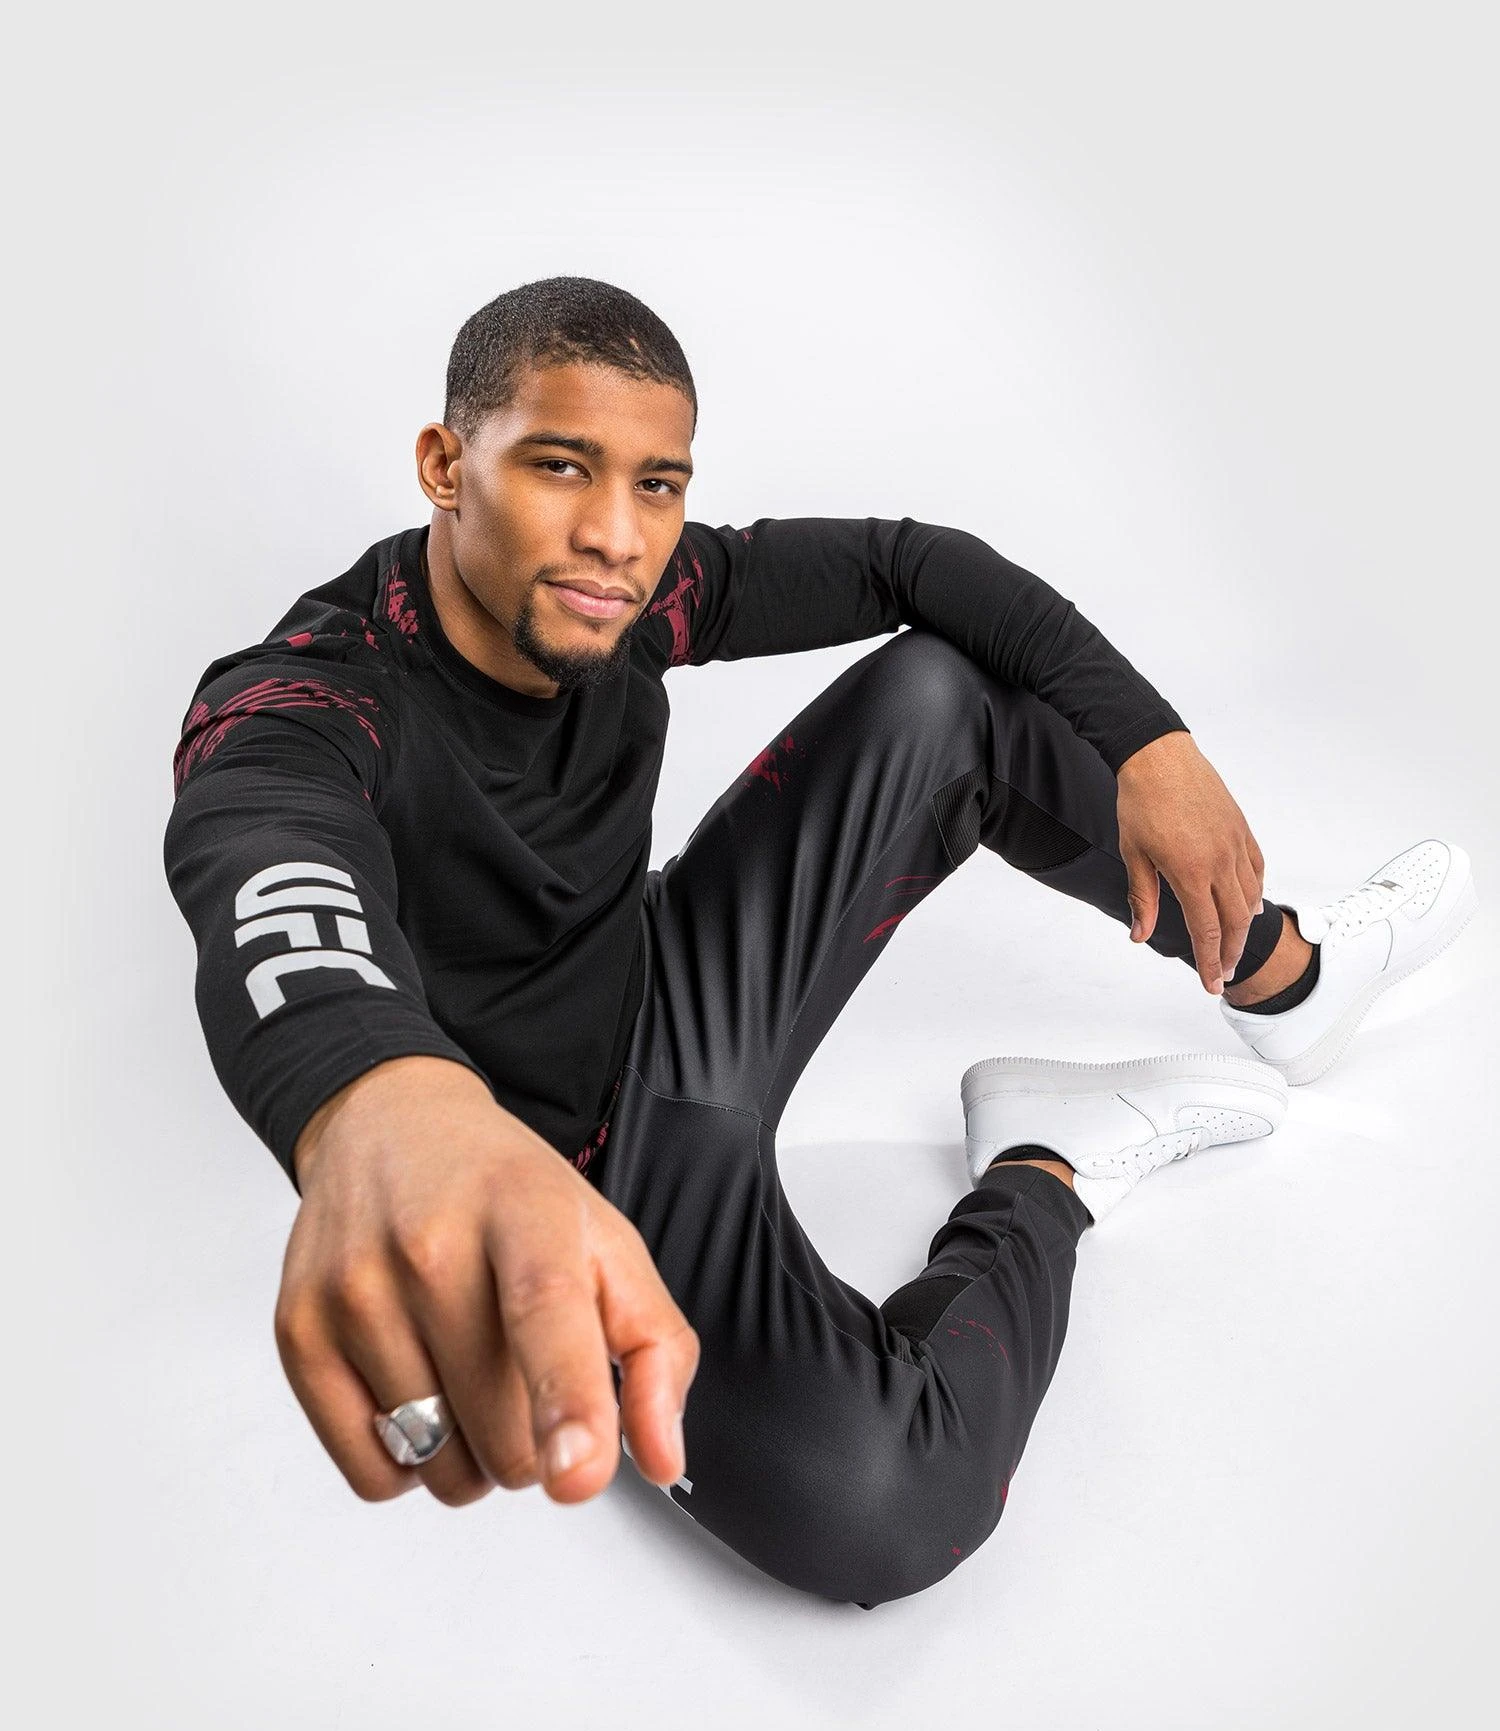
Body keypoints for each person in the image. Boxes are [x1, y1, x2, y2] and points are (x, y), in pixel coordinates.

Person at [164, 276, 1477, 1609]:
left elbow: (916, 562)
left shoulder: (630, 593)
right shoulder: (315, 700)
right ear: (447, 466)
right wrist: (381, 1105)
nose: (615, 536)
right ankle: (1043, 1165)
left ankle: (1290, 979)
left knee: (944, 688)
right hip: (581, 1184)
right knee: (888, 1511)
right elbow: (271, 869)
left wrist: (1152, 741)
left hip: (666, 984)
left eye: (657, 485)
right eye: (560, 467)